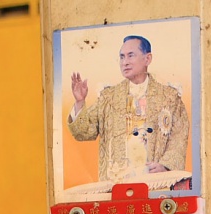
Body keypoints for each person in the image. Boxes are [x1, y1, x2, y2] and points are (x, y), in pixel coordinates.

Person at [67, 35, 190, 183]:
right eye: (122, 57)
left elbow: (179, 136)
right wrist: (80, 102)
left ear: (148, 59)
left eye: (131, 56)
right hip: (117, 181)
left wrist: (165, 166)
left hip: (154, 181)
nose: (125, 62)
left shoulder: (169, 97)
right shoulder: (109, 97)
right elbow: (83, 132)